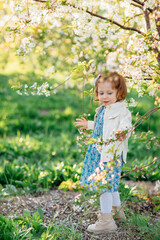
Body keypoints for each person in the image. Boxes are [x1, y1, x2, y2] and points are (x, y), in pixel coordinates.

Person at [74, 72, 132, 234]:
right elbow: (102, 126)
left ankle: (107, 222)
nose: (104, 96)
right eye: (101, 93)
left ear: (119, 93)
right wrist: (89, 124)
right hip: (98, 152)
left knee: (104, 186)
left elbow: (127, 126)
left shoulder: (122, 111)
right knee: (111, 185)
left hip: (110, 154)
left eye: (109, 93)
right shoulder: (102, 109)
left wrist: (122, 132)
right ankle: (117, 213)